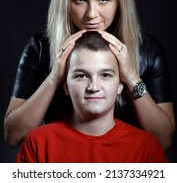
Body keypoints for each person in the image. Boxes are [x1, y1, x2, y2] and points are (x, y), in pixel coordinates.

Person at [4, 0, 175, 150]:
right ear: (65, 1)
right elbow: (13, 136)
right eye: (80, 0)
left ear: (120, 1)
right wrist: (55, 78)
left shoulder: (147, 51)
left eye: (103, 0)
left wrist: (130, 77)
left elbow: (164, 139)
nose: (91, 14)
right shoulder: (39, 49)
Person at [16, 31, 168, 163]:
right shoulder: (38, 143)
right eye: (81, 75)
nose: (94, 87)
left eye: (106, 75)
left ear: (121, 85)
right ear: (66, 86)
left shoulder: (146, 148)